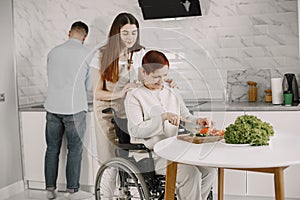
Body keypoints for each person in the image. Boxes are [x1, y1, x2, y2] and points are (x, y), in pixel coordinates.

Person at [125, 50, 216, 200]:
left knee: (209, 170)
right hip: (150, 156)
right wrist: (162, 118)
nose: (162, 81)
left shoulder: (171, 92)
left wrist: (198, 122)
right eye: (156, 77)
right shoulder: (134, 96)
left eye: (165, 76)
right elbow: (136, 130)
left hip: (173, 151)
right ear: (144, 73)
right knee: (190, 173)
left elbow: (186, 118)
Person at [44, 21, 93, 200]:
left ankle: (50, 189)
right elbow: (89, 85)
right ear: (85, 37)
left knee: (51, 149)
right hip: (75, 108)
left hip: (52, 107)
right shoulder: (87, 54)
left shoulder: (53, 52)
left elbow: (50, 77)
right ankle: (73, 191)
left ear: (69, 33)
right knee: (74, 150)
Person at [91, 12, 146, 164]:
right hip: (106, 112)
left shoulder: (139, 53)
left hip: (128, 112)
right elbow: (97, 93)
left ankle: (125, 189)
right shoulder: (101, 55)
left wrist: (163, 81)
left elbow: (146, 80)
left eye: (134, 33)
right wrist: (120, 93)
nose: (130, 37)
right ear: (117, 33)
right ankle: (107, 188)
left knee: (132, 158)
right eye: (125, 33)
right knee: (109, 159)